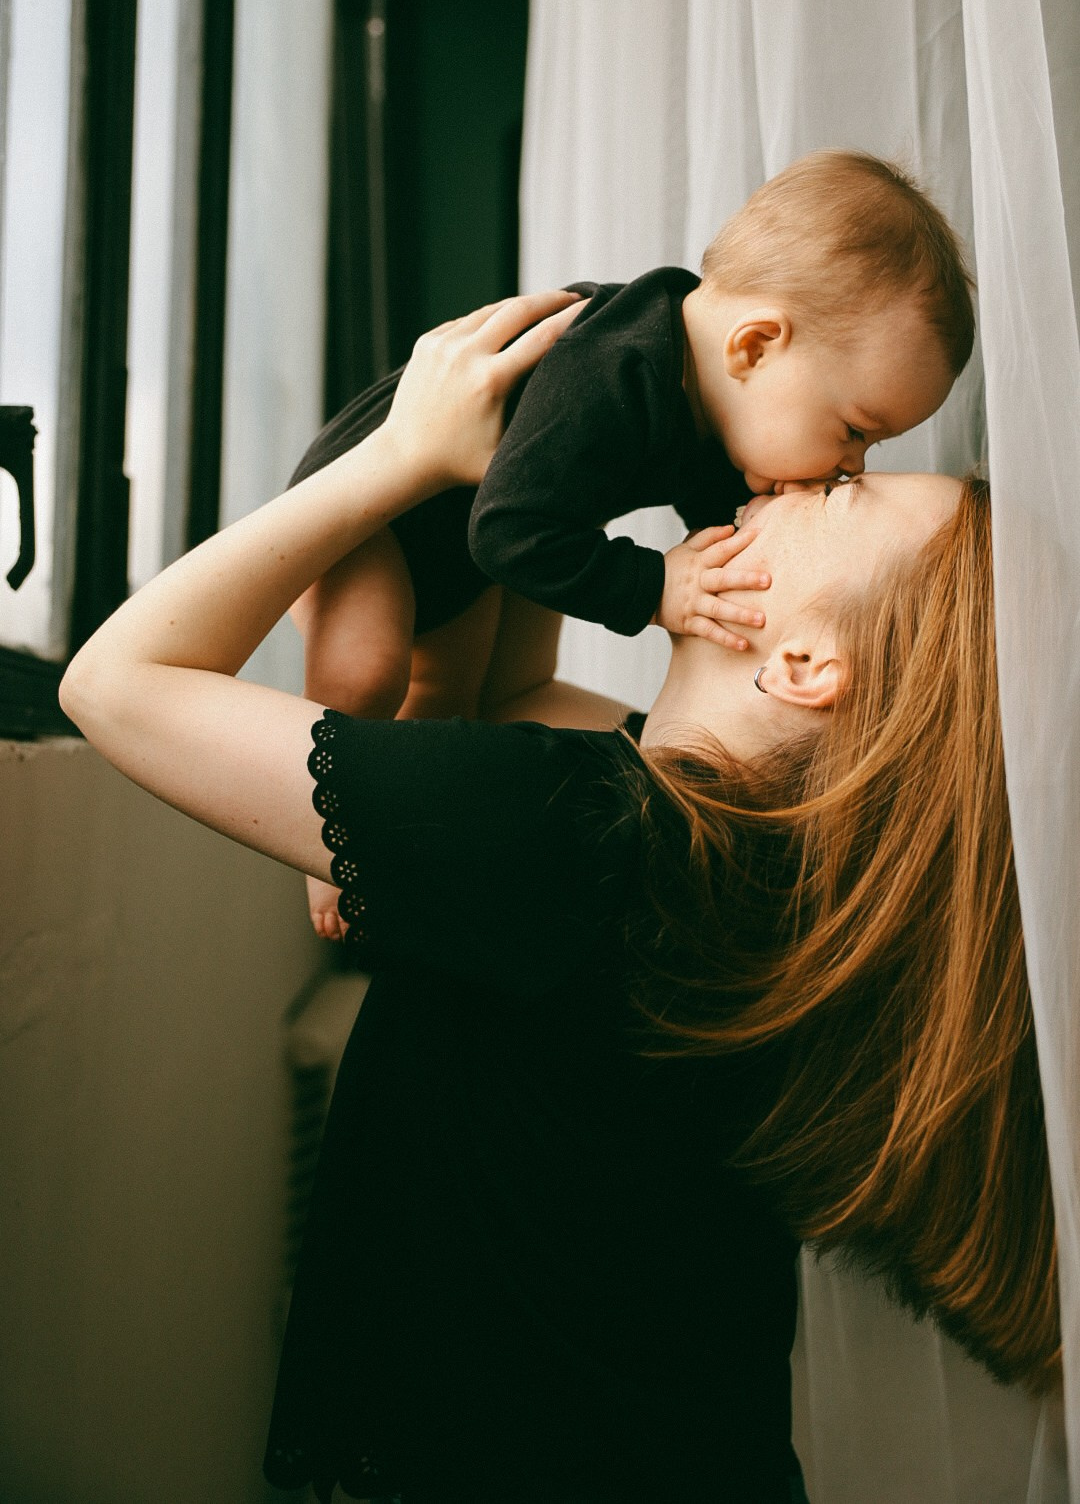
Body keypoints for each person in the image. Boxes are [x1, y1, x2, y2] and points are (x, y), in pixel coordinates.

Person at [59, 294, 1057, 1503]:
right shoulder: (749, 872)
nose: (805, 480)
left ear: (804, 664)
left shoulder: (568, 834)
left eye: (843, 495)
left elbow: (117, 683)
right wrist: (550, 447)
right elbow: (515, 690)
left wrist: (398, 458)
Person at [291, 150, 975, 939]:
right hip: (379, 511)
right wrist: (655, 589)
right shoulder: (617, 372)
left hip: (469, 526)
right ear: (753, 349)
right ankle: (322, 847)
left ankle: (402, 868)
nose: (849, 465)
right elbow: (510, 531)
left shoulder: (718, 407)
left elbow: (721, 543)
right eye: (855, 431)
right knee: (366, 674)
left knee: (451, 705)